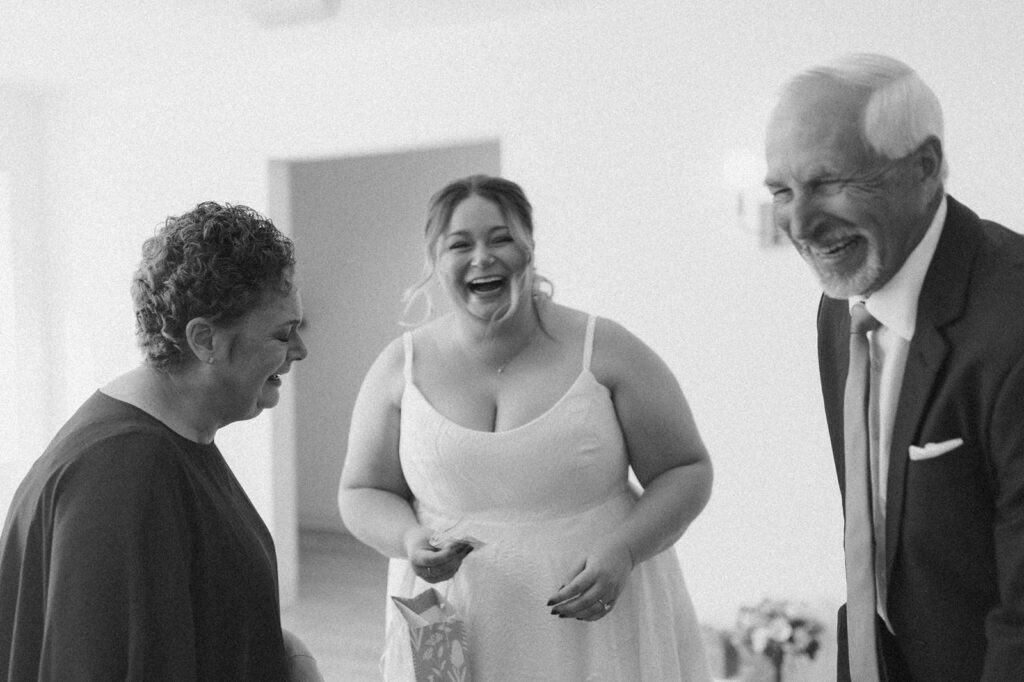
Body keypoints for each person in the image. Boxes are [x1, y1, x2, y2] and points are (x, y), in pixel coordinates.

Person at [338, 174, 714, 680]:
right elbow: (361, 490)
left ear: (529, 246)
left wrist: (624, 549)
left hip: (592, 614)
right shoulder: (397, 366)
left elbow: (686, 470)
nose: (482, 257)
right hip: (440, 614)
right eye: (460, 244)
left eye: (500, 238)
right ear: (435, 260)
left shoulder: (606, 350)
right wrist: (408, 538)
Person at [765, 53, 1024, 680]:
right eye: (781, 191)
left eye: (828, 183)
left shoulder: (1013, 320)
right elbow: (879, 544)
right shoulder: (840, 312)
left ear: (924, 167)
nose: (799, 224)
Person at [0, 202, 323, 681]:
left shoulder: (171, 440)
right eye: (283, 334)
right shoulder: (122, 472)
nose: (299, 351)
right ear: (205, 340)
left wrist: (289, 659)